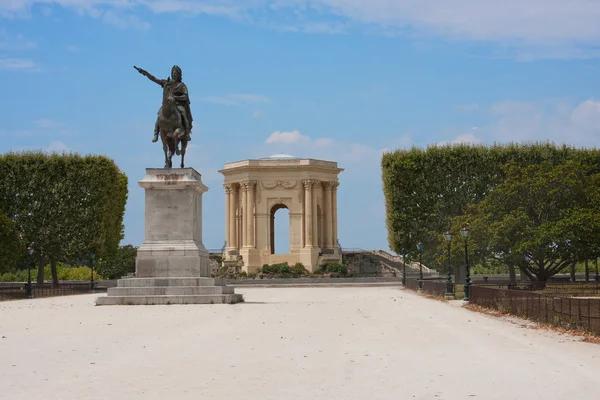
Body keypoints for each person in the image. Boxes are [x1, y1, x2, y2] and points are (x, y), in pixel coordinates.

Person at [134, 65, 193, 142]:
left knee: (183, 112)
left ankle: (187, 131)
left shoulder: (182, 85)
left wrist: (175, 98)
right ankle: (156, 133)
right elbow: (154, 79)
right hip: (168, 104)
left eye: (176, 73)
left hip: (178, 104)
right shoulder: (167, 83)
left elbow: (185, 97)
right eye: (173, 73)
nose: (174, 75)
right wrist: (145, 73)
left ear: (179, 75)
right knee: (160, 114)